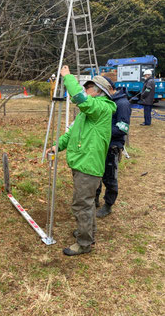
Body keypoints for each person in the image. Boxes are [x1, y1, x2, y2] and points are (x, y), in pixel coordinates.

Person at [46, 66, 116, 256]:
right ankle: (88, 232)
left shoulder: (101, 108)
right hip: (82, 163)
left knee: (81, 205)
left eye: (88, 87)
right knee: (87, 203)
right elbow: (71, 134)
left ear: (98, 92)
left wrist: (67, 77)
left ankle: (84, 243)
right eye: (84, 87)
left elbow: (79, 98)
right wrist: (57, 146)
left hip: (89, 166)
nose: (85, 90)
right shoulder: (88, 113)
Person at [96, 77, 131, 217]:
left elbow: (122, 128)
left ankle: (108, 205)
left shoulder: (122, 104)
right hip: (99, 145)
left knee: (109, 177)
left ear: (109, 88)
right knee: (96, 174)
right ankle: (94, 199)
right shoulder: (105, 102)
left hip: (112, 146)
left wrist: (101, 132)